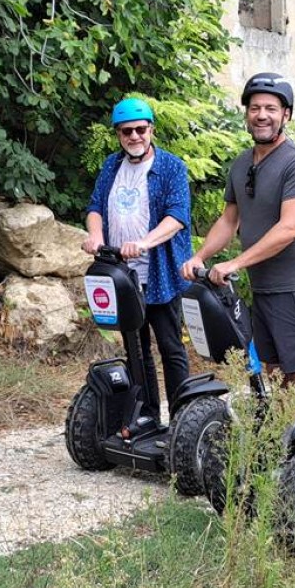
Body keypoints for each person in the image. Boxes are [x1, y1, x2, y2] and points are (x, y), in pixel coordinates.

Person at [181, 72, 295, 415]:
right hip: (262, 289)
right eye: (255, 107)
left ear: (286, 115)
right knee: (274, 374)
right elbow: (229, 221)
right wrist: (200, 255)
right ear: (246, 113)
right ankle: (285, 451)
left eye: (271, 108)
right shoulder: (242, 164)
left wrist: (235, 263)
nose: (262, 115)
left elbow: (289, 228)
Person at [82, 97, 193, 423]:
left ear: (151, 130)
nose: (134, 137)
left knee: (170, 348)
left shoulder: (172, 167)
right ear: (118, 134)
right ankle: (146, 417)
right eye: (126, 131)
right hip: (123, 276)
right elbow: (95, 208)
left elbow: (177, 217)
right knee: (137, 349)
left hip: (159, 273)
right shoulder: (111, 166)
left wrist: (143, 243)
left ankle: (182, 418)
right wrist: (96, 235)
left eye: (140, 129)